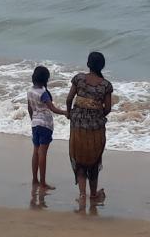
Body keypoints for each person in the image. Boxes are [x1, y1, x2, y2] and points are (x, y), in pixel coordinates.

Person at [65, 51, 113, 202]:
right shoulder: (106, 85)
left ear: (88, 64)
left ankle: (82, 195)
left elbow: (69, 98)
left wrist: (69, 113)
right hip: (96, 129)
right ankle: (93, 194)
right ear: (102, 66)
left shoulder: (79, 79)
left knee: (79, 160)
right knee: (93, 160)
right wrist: (97, 114)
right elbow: (108, 109)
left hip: (77, 126)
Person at [27, 65, 66, 191]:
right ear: (45, 79)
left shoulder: (30, 91)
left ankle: (35, 180)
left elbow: (29, 108)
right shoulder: (43, 93)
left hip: (35, 124)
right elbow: (53, 109)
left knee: (35, 151)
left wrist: (32, 119)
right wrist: (66, 113)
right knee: (42, 153)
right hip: (45, 125)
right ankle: (43, 183)